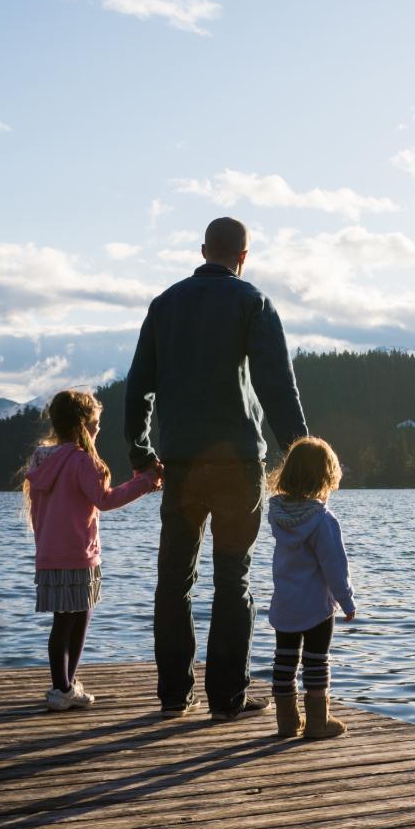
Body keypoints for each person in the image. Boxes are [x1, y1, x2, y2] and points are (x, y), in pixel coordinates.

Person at [125, 216, 309, 721]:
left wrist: (141, 453)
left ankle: (172, 696)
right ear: (243, 257)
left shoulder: (164, 305)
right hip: (238, 465)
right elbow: (278, 387)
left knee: (174, 579)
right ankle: (227, 697)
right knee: (234, 579)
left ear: (204, 249)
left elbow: (139, 385)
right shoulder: (252, 302)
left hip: (182, 463)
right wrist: (301, 457)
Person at [23, 389, 162, 711]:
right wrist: (145, 482)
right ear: (83, 424)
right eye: (96, 423)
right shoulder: (82, 461)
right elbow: (105, 500)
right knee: (79, 617)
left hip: (48, 553)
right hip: (79, 553)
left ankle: (63, 686)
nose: (98, 429)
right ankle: (63, 688)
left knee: (61, 621)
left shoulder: (41, 459)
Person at [265, 437, 358, 739]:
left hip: (285, 604)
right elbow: (334, 566)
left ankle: (287, 721)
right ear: (326, 477)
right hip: (316, 606)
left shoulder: (278, 515)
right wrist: (346, 600)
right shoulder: (322, 520)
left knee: (285, 659)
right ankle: (318, 721)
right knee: (316, 661)